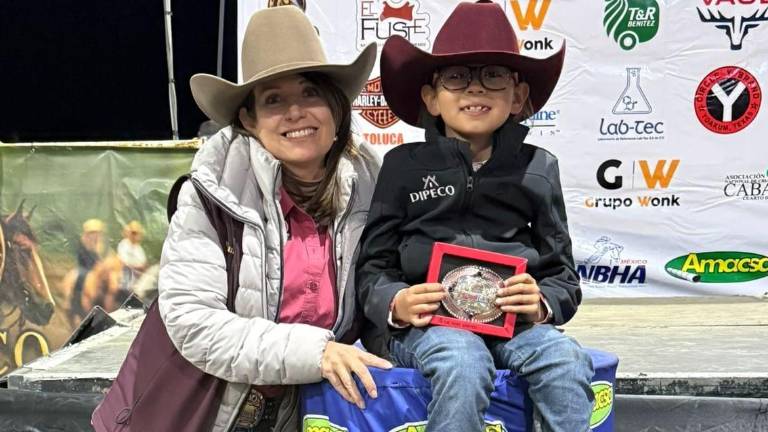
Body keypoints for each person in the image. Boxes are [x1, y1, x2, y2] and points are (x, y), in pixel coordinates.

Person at [356, 1, 594, 431]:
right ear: (430, 96)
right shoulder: (402, 166)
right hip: (427, 328)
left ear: (518, 96)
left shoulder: (538, 167)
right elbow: (373, 264)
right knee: (462, 362)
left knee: (567, 361)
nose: (476, 89)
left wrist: (540, 304)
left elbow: (563, 275)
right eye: (456, 77)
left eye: (494, 76)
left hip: (514, 327)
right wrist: (396, 302)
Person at [158, 6, 390, 432]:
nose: (296, 112)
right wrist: (317, 353)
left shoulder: (374, 186)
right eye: (273, 100)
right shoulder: (211, 195)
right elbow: (193, 321)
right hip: (226, 415)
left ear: (336, 108)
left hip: (327, 412)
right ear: (249, 119)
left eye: (310, 93)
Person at [117, 220, 147, 291]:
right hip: (122, 276)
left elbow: (142, 266)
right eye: (133, 233)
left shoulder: (140, 250)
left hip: (133, 281)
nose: (134, 235)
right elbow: (123, 262)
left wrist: (140, 268)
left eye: (136, 233)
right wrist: (137, 266)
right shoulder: (123, 244)